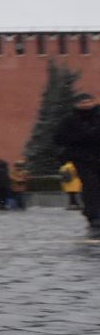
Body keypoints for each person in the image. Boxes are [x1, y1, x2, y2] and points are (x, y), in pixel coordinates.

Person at [56, 95, 100, 238]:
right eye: (83, 102)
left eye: (89, 101)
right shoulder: (70, 121)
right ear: (77, 104)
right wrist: (85, 136)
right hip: (82, 159)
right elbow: (59, 138)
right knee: (90, 186)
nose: (86, 104)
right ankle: (94, 217)